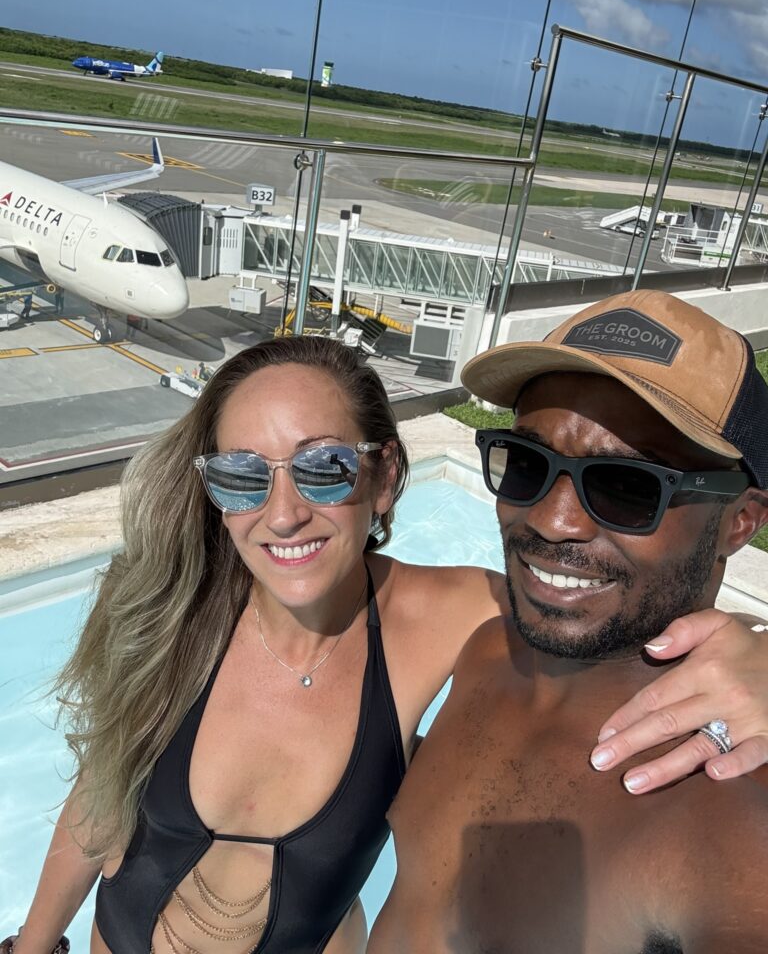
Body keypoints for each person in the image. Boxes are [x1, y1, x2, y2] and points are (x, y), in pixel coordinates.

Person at [11, 332, 768, 954]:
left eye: (325, 468)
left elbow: (605, 607)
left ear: (385, 479)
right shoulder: (165, 608)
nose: (281, 515)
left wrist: (759, 656)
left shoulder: (456, 617)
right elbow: (98, 796)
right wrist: (31, 946)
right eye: (242, 476)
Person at [369, 289, 768, 953]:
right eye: (527, 464)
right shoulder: (487, 649)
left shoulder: (726, 804)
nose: (552, 521)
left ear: (741, 521)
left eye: (626, 486)